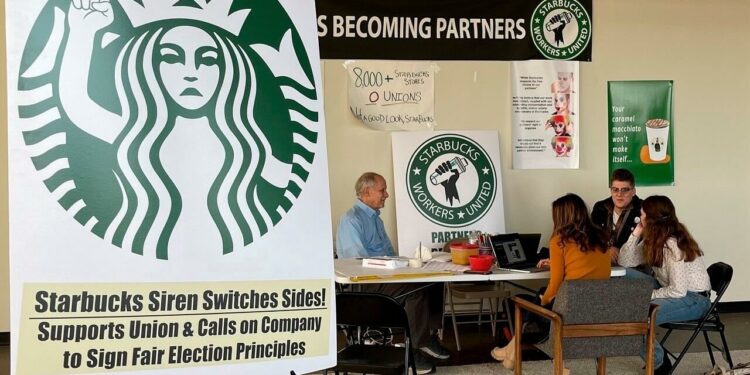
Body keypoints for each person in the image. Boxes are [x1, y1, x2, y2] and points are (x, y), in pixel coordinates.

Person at [336, 172, 449, 375]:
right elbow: (357, 265)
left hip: (385, 277)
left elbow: (390, 255)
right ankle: (414, 351)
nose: (386, 194)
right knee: (415, 291)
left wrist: (408, 265)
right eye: (382, 190)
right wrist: (396, 271)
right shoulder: (351, 220)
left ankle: (427, 337)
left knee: (433, 280)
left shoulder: (375, 219)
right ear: (366, 192)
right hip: (365, 285)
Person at [491, 194, 611, 370]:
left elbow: (555, 285)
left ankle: (513, 350)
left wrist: (542, 300)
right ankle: (511, 350)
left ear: (561, 216)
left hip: (568, 311)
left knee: (528, 301)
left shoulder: (559, 241)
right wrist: (556, 264)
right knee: (541, 292)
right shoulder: (602, 239)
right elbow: (587, 268)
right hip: (597, 308)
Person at [618, 195, 711, 375]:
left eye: (642, 214)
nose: (639, 217)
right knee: (623, 274)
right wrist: (636, 232)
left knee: (636, 313)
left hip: (693, 298)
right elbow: (625, 261)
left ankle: (659, 364)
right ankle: (654, 355)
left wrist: (646, 296)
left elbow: (678, 291)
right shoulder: (654, 240)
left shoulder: (671, 245)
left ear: (652, 219)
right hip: (669, 288)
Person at [591, 169, 642, 265]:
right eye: (615, 189)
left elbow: (646, 245)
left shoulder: (642, 210)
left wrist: (621, 252)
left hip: (633, 268)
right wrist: (607, 249)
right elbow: (591, 237)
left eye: (625, 190)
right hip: (602, 264)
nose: (619, 194)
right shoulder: (600, 207)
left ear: (633, 191)